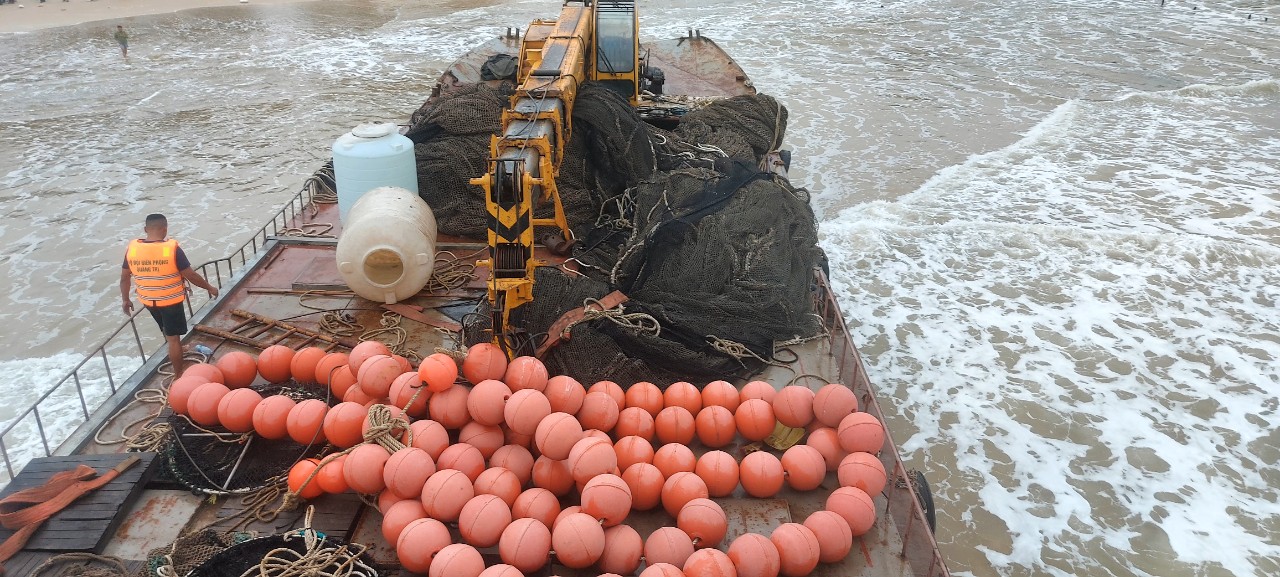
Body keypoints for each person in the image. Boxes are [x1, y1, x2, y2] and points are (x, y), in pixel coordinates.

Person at [120, 214, 218, 376]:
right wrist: (209, 287)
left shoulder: (133, 249)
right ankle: (179, 375)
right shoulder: (171, 249)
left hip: (149, 301)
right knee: (173, 339)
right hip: (170, 301)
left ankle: (177, 349)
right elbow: (190, 275)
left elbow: (124, 277)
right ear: (165, 229)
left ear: (145, 229)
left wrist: (125, 299)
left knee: (167, 331)